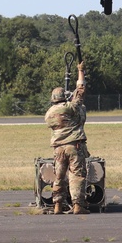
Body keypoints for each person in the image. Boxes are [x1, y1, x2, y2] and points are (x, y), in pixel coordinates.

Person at [44, 61, 89, 214]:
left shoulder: (49, 113)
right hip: (74, 145)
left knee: (59, 176)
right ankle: (77, 205)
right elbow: (80, 91)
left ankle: (57, 204)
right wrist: (81, 72)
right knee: (77, 174)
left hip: (58, 148)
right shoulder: (70, 107)